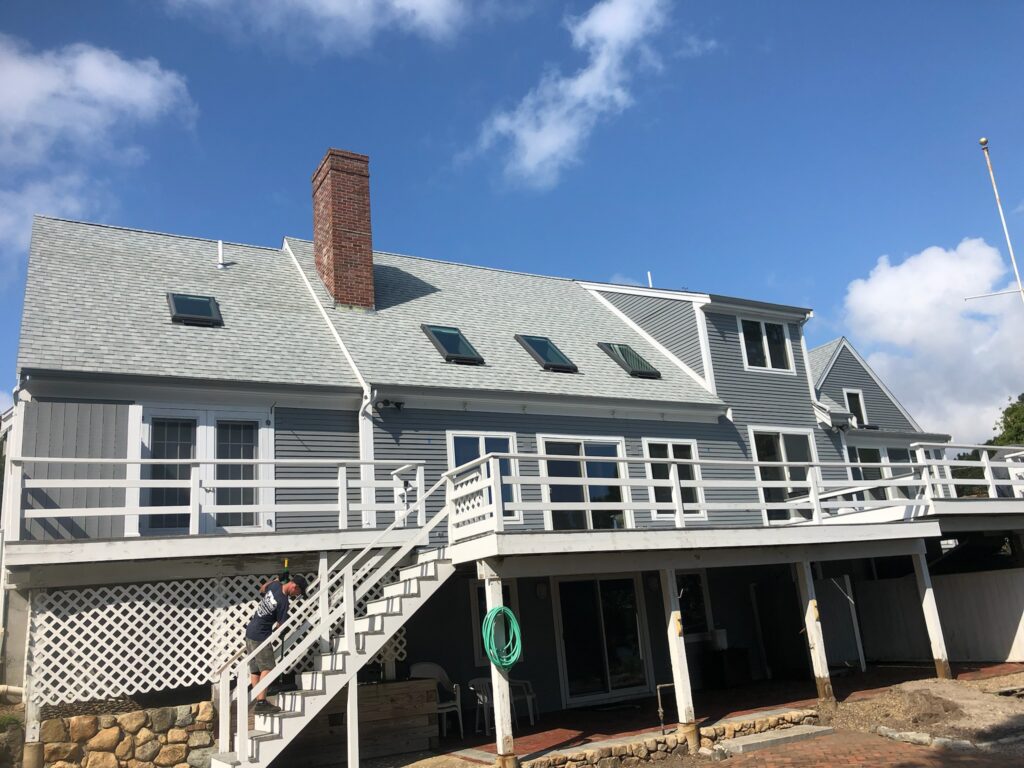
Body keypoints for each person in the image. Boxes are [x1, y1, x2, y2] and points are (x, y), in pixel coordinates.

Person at [244, 574, 308, 714]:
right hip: (261, 634)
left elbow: (262, 589)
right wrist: (283, 626)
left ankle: (258, 700)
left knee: (256, 670)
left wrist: (275, 579)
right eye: (298, 593)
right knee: (268, 667)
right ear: (294, 586)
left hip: (250, 631)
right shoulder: (283, 601)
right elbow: (280, 625)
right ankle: (261, 703)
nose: (297, 596)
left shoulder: (274, 586)